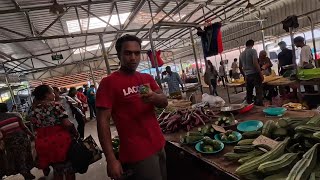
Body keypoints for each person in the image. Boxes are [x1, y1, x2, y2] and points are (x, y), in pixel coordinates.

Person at [96, 35, 168, 180]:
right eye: (128, 53)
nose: (133, 57)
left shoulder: (146, 78)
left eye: (137, 53)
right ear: (119, 55)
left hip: (159, 144)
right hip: (137, 153)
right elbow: (102, 122)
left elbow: (164, 101)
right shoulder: (108, 83)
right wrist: (111, 159)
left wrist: (154, 97)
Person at [28, 85, 78, 180]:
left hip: (43, 142)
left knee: (57, 169)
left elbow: (34, 127)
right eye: (52, 92)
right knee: (68, 169)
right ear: (46, 95)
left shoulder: (32, 110)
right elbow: (67, 124)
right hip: (60, 141)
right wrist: (75, 131)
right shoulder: (56, 105)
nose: (54, 94)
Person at [0, 103, 35, 179]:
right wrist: (32, 135)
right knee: (25, 156)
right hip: (22, 138)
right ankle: (26, 172)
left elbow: (1, 135)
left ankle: (24, 172)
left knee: (17, 158)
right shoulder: (16, 114)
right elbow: (24, 127)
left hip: (10, 142)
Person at [239, 40, 264, 106]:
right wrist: (260, 74)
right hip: (255, 74)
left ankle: (249, 106)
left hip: (247, 75)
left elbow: (240, 67)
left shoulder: (241, 54)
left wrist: (244, 75)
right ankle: (259, 107)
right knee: (258, 91)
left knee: (249, 92)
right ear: (252, 44)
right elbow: (255, 63)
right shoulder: (253, 51)